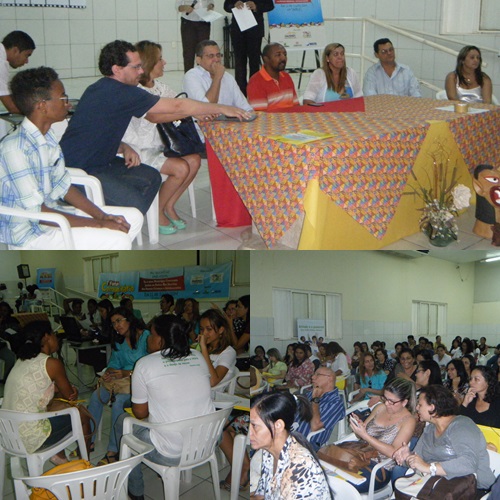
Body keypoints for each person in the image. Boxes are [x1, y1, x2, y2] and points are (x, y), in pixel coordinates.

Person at [59, 40, 252, 216]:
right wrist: (221, 108)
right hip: (77, 173)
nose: (141, 71)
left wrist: (123, 146)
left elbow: (100, 130)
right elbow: (177, 106)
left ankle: (153, 211)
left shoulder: (105, 88)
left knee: (151, 177)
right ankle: (102, 218)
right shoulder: (121, 92)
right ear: (117, 69)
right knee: (135, 203)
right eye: (136, 67)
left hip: (103, 161)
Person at [0, 66, 144, 250]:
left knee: (133, 217)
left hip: (51, 216)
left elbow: (64, 185)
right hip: (30, 233)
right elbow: (36, 211)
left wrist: (102, 216)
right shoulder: (15, 149)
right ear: (42, 106)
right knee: (118, 239)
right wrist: (100, 224)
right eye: (63, 98)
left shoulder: (47, 138)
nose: (68, 104)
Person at [115, 314, 214, 500]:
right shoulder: (198, 356)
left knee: (122, 421)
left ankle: (136, 491)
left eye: (151, 335)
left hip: (171, 453)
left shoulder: (144, 364)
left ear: (161, 339)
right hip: (206, 443)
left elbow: (140, 413)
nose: (147, 339)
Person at [122, 40, 201, 235]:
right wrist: (190, 111)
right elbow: (155, 116)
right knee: (181, 168)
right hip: (137, 150)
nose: (164, 62)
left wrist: (199, 111)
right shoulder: (136, 92)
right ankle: (157, 210)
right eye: (160, 59)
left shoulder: (160, 87)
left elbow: (180, 104)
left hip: (161, 147)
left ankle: (169, 204)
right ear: (149, 63)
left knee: (195, 160)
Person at [2, 320, 91, 461]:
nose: (56, 338)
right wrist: (72, 391)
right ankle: (84, 463)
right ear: (46, 337)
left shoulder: (21, 360)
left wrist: (55, 390)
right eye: (54, 334)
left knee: (56, 409)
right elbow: (70, 397)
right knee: (83, 414)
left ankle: (60, 458)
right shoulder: (52, 364)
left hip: (8, 433)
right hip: (31, 437)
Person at [393, 385, 495, 495]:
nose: (417, 408)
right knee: (398, 471)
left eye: (420, 405)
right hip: (438, 486)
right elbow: (419, 462)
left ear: (432, 407)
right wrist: (407, 457)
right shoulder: (429, 430)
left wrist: (430, 468)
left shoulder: (462, 425)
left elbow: (469, 464)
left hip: (472, 490)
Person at [87, 307, 150, 464]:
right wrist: (109, 372)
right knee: (96, 396)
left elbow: (151, 366)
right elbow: (114, 362)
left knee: (119, 402)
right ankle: (89, 440)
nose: (116, 326)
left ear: (129, 320)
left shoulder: (146, 337)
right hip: (122, 382)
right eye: (113, 323)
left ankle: (113, 450)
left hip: (141, 384)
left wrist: (127, 373)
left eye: (119, 321)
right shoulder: (119, 341)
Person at [250, 391, 332, 499]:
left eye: (254, 426)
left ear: (278, 426)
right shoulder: (268, 451)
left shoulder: (300, 468)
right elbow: (262, 495)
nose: (249, 432)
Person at [349, 378, 417, 493]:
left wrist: (365, 436)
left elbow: (394, 452)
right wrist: (358, 426)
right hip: (359, 455)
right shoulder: (380, 408)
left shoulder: (408, 421)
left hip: (379, 468)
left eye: (391, 401)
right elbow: (361, 436)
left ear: (404, 402)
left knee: (344, 484)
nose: (386, 403)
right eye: (385, 398)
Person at [183, 40, 254, 116]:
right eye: (211, 56)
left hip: (229, 122)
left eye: (218, 55)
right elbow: (206, 109)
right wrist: (217, 77)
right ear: (198, 60)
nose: (216, 60)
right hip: (202, 123)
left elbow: (245, 108)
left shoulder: (228, 77)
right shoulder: (191, 76)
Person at [223, 0, 275, 96]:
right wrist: (234, 5)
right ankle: (240, 92)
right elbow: (226, 6)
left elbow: (270, 5)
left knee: (254, 61)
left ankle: (254, 91)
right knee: (239, 62)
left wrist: (256, 6)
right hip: (238, 31)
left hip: (255, 30)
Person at [295, 367, 346, 451]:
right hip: (290, 435)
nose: (312, 377)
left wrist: (315, 400)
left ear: (329, 378)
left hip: (307, 443)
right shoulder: (310, 394)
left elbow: (315, 426)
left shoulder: (336, 402)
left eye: (318, 375)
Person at [247, 43, 299, 111]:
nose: (283, 58)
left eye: (285, 54)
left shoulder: (286, 77)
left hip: (292, 117)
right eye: (278, 55)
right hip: (270, 118)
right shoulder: (256, 82)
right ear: (266, 59)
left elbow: (296, 106)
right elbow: (260, 114)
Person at [198, 308, 237, 387]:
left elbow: (213, 382)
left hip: (213, 391)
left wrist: (203, 348)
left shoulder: (229, 352)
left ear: (221, 330)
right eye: (201, 329)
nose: (204, 333)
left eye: (209, 329)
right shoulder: (202, 347)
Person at [0, 31, 35, 115]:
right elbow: (12, 108)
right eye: (27, 55)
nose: (26, 61)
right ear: (15, 50)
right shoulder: (1, 63)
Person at [176, 0, 214, 72]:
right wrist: (185, 7)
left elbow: (211, 2)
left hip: (204, 22)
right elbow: (178, 6)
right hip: (188, 21)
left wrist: (211, 6)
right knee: (189, 52)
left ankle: (203, 75)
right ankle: (189, 76)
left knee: (204, 52)